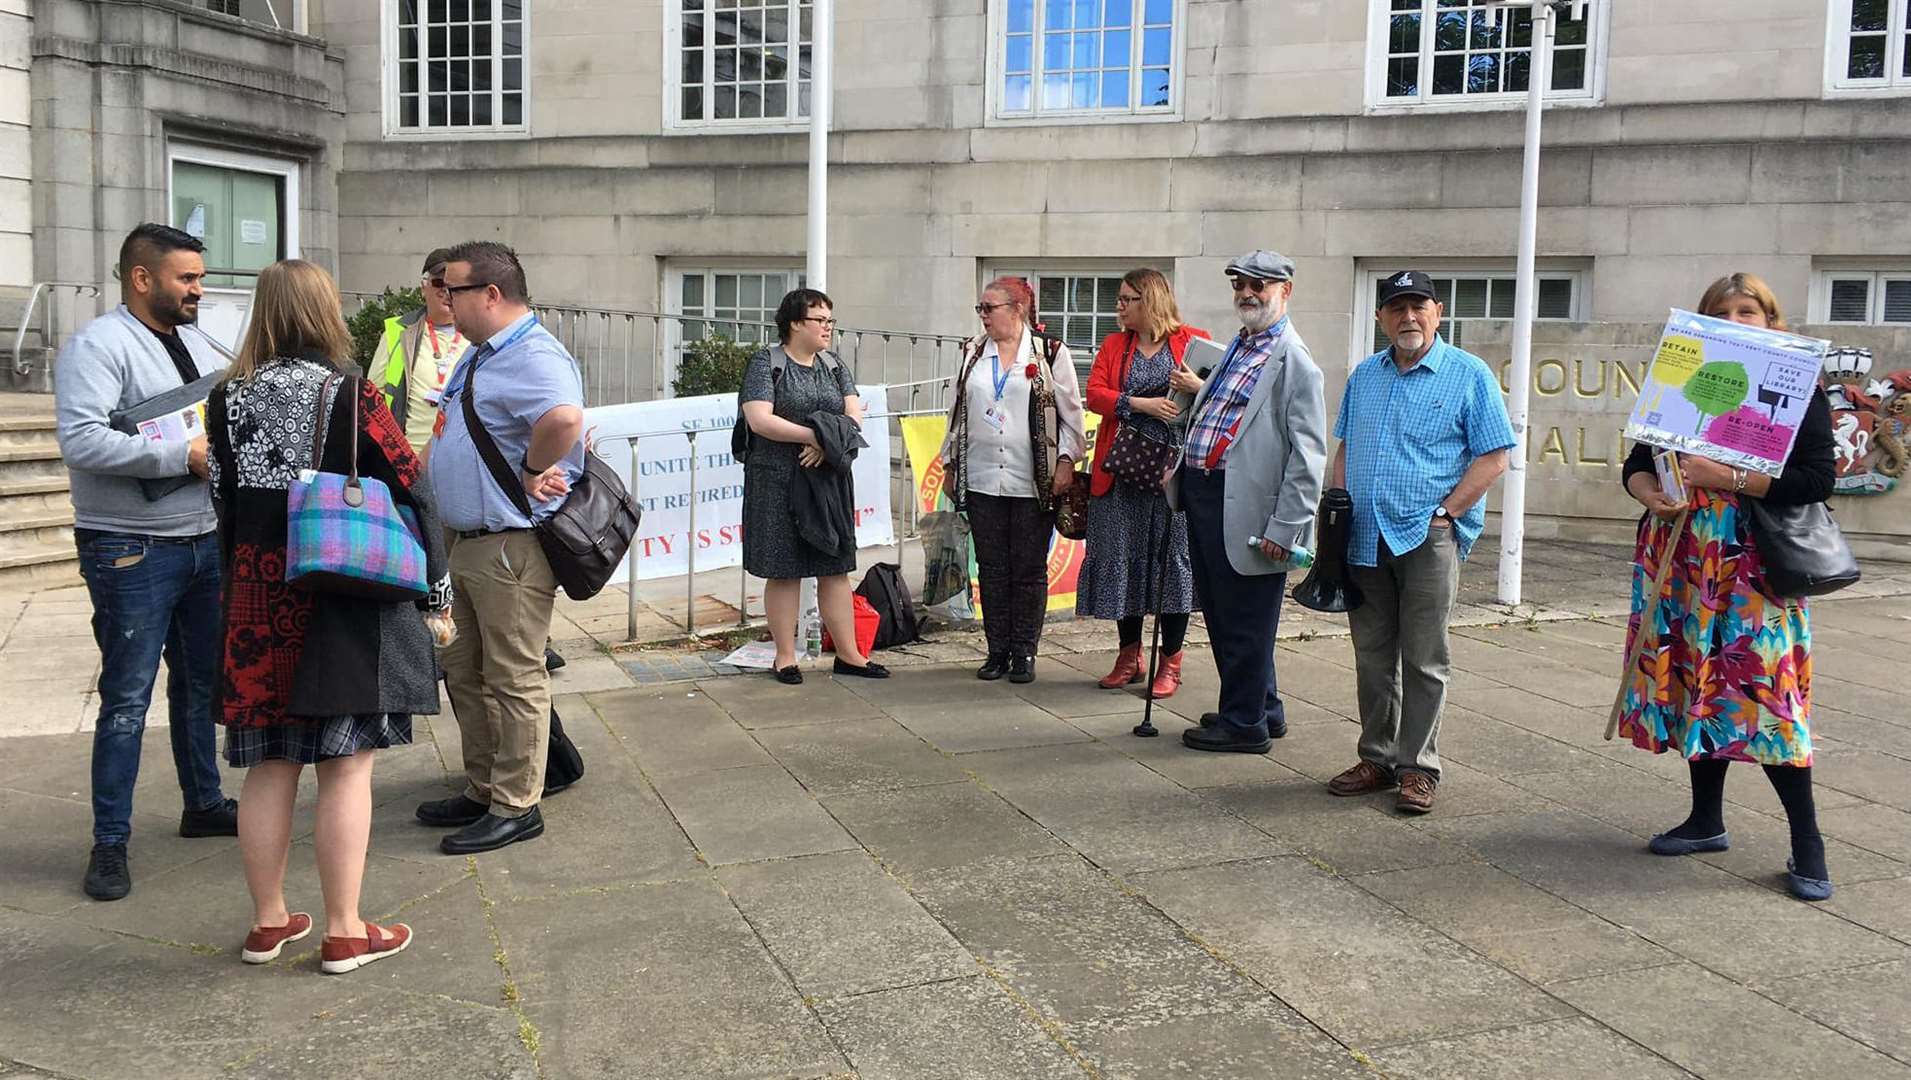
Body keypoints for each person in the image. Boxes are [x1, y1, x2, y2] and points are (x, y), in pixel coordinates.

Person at [206, 258, 442, 973]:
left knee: (269, 764)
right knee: (345, 766)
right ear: (323, 312)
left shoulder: (225, 398)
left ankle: (268, 924)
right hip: (335, 587)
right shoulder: (348, 393)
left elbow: (219, 492)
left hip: (253, 590)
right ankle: (344, 931)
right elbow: (409, 476)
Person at [1618, 273, 1837, 902]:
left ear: (1770, 321)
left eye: (1749, 311)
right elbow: (1637, 465)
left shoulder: (1800, 386)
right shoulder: (1683, 382)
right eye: (1722, 311)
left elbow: (1817, 478)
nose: (1736, 320)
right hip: (1683, 554)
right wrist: (1649, 493)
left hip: (1754, 563)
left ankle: (1808, 840)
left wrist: (1728, 475)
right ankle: (1705, 819)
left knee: (1769, 694)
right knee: (1696, 679)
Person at [54, 223, 238, 902]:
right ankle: (110, 843)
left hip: (203, 537)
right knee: (126, 699)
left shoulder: (194, 339)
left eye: (199, 276)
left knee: (198, 684)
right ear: (142, 278)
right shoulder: (96, 346)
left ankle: (204, 804)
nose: (199, 288)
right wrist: (180, 457)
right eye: (187, 278)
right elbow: (80, 441)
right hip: (129, 546)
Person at [416, 241, 584, 855]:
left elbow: (565, 419)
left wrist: (533, 467)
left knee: (513, 676)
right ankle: (483, 786)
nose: (441, 297)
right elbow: (445, 432)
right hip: (464, 540)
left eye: (450, 287)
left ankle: (517, 803)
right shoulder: (481, 355)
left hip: (507, 545)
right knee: (465, 670)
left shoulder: (535, 354)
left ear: (490, 294)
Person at [1326, 270, 1515, 813]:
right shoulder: (1365, 375)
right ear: (1382, 317)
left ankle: (1419, 767)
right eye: (1396, 308)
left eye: (1418, 307)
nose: (1407, 317)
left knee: (1426, 658)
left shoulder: (1468, 374)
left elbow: (1495, 455)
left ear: (1437, 312)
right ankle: (1377, 758)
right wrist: (1339, 504)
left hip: (1427, 535)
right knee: (1372, 654)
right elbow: (1346, 448)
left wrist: (1446, 514)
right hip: (1364, 535)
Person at [1171, 252, 1327, 754]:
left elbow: (1308, 454)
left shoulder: (1293, 358)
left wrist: (1286, 527)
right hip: (1205, 494)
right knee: (1222, 610)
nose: (1248, 292)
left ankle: (1244, 725)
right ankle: (1261, 707)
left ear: (1286, 291)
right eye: (1241, 283)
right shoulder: (1240, 346)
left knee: (1245, 618)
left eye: (1261, 284)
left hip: (1248, 507)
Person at [939, 277, 1086, 684]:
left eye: (990, 308)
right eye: (980, 309)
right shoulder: (972, 352)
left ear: (1017, 309)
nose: (983, 316)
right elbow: (957, 411)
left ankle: (1024, 651)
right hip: (983, 475)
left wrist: (1066, 461)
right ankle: (996, 650)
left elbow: (1071, 413)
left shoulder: (1050, 352)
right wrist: (950, 463)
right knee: (991, 567)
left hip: (1032, 478)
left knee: (1028, 568)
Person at [740, 288, 890, 685]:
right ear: (794, 323)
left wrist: (825, 443)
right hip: (776, 481)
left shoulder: (834, 364)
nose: (827, 328)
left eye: (830, 321)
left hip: (826, 480)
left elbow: (854, 413)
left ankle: (849, 654)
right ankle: (784, 658)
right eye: (819, 320)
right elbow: (760, 420)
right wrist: (814, 435)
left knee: (834, 568)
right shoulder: (765, 364)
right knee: (784, 569)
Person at [1077, 268, 1210, 698]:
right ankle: (1128, 655)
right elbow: (1094, 393)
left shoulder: (1193, 340)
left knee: (1172, 562)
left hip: (1173, 471)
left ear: (1149, 300)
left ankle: (1170, 662)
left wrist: (1198, 386)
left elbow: (1223, 397)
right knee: (1123, 558)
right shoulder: (1116, 344)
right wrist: (1140, 404)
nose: (1119, 306)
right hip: (1122, 470)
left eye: (1126, 299)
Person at [373, 248, 470, 456]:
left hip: (461, 458)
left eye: (454, 286)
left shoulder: (477, 334)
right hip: (408, 458)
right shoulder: (397, 333)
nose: (446, 292)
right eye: (439, 283)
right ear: (423, 287)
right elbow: (374, 399)